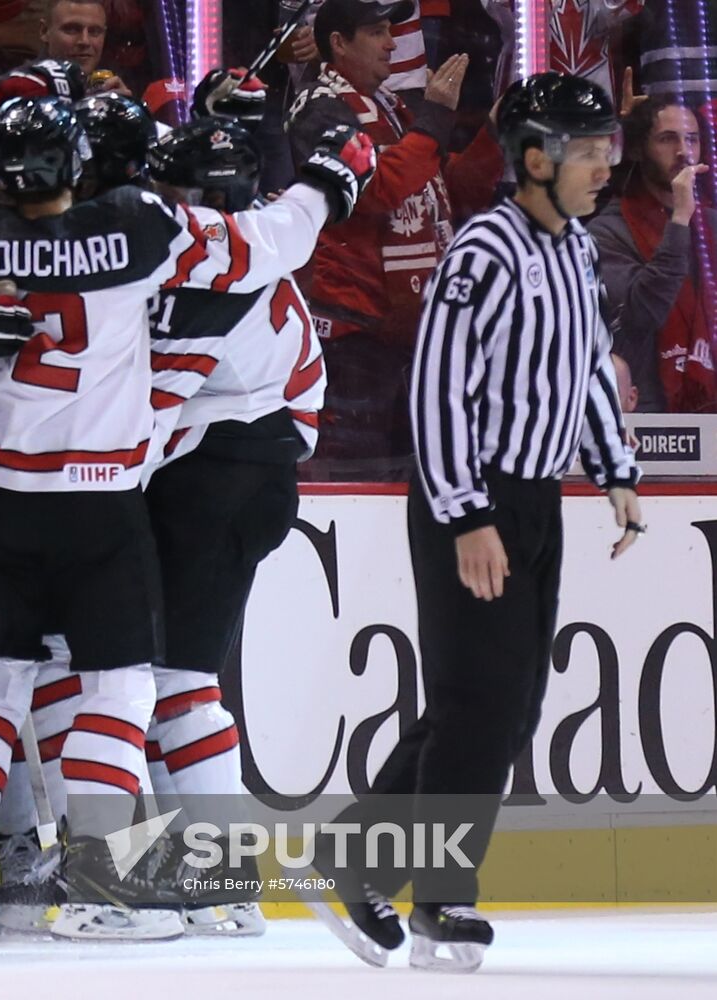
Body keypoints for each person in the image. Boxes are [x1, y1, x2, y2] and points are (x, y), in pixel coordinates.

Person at [0, 92, 372, 939]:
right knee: (126, 686)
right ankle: (121, 883)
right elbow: (273, 242)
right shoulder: (144, 226)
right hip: (103, 502)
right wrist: (330, 175)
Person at [304, 72, 641, 973]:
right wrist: (466, 513)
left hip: (533, 501)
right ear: (533, 158)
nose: (604, 165)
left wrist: (615, 470)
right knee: (477, 702)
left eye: (606, 146)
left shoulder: (572, 250)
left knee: (502, 703)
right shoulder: (481, 251)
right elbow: (437, 389)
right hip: (473, 497)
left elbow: (581, 372)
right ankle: (439, 898)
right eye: (587, 150)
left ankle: (353, 855)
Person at [139, 113, 328, 938]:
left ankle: (219, 876)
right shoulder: (255, 239)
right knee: (160, 676)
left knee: (175, 680)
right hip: (253, 467)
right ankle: (200, 867)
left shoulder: (208, 268)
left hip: (215, 476)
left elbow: (144, 412)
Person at [287, 0, 501, 472]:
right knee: (356, 479)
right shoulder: (319, 108)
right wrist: (435, 119)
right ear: (339, 43)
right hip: (353, 336)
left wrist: (494, 134)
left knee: (419, 476)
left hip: (411, 329)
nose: (391, 43)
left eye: (390, 30)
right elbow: (375, 190)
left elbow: (452, 190)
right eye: (377, 33)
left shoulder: (394, 107)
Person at [589, 97, 715, 413]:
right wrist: (679, 221)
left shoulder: (713, 225)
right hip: (647, 419)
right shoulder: (605, 233)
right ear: (636, 149)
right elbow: (642, 312)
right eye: (667, 138)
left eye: (692, 139)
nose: (683, 152)